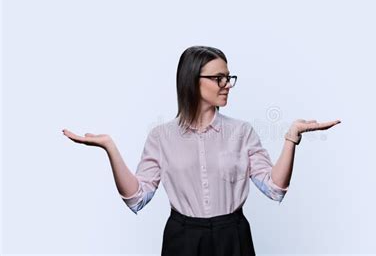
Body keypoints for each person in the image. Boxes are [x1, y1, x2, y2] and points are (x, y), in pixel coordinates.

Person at [62, 45, 341, 256]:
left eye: (229, 77)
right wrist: (110, 147)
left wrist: (291, 138)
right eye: (218, 78)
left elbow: (274, 188)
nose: (227, 85)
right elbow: (137, 197)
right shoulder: (161, 136)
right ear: (192, 80)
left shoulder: (242, 132)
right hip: (182, 239)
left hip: (233, 236)